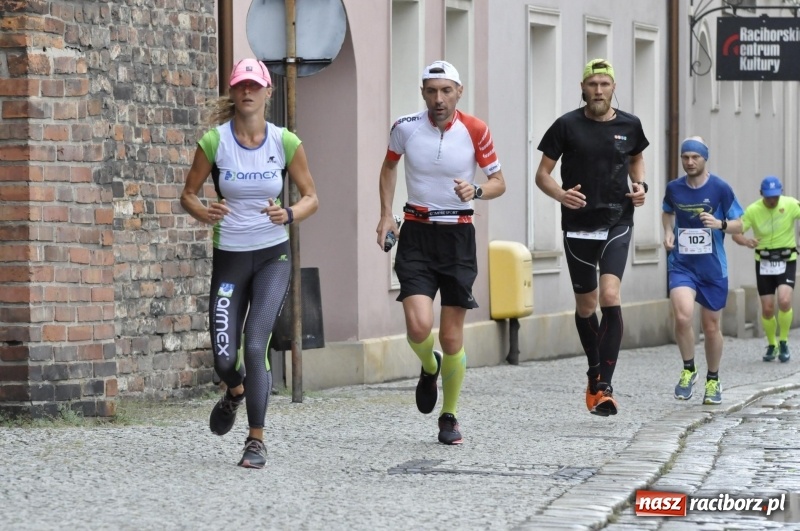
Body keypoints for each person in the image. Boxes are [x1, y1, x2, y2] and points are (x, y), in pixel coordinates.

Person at [180, 58, 319, 468]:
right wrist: (203, 211)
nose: (247, 92)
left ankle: (256, 439)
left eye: (254, 86)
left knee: (255, 345)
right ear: (233, 91)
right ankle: (235, 391)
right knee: (225, 360)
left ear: (267, 92)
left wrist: (289, 213)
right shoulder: (214, 142)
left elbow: (312, 197)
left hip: (273, 256)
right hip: (230, 259)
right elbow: (188, 194)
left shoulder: (285, 142)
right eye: (241, 85)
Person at [376, 60, 506, 445]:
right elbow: (388, 168)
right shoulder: (405, 127)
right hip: (416, 232)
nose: (439, 99)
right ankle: (429, 365)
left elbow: (499, 181)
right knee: (418, 327)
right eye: (432, 91)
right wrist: (385, 215)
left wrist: (476, 190)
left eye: (446, 91)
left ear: (458, 92)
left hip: (457, 236)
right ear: (423, 93)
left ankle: (449, 416)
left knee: (451, 337)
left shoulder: (476, 130)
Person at [535, 58, 649, 416]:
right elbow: (542, 174)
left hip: (617, 220)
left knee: (610, 295)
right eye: (592, 84)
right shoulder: (566, 125)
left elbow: (636, 159)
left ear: (613, 87)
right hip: (579, 224)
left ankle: (604, 388)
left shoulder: (630, 124)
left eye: (604, 84)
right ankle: (594, 370)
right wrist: (561, 195)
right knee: (586, 307)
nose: (598, 90)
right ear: (583, 88)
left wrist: (640, 186)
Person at [662, 137, 743, 405]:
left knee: (710, 326)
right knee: (683, 316)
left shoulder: (720, 188)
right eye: (685, 157)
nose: (689, 162)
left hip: (712, 268)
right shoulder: (674, 188)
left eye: (695, 157)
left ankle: (713, 379)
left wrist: (720, 224)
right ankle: (688, 369)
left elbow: (740, 224)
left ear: (704, 158)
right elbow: (667, 211)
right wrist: (668, 232)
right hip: (682, 264)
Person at [732, 176, 800, 363]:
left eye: (775, 196)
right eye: (769, 197)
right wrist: (746, 241)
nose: (772, 200)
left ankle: (784, 341)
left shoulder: (790, 204)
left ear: (781, 193)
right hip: (764, 262)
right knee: (768, 308)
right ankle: (772, 344)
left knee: (784, 301)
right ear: (761, 194)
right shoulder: (753, 210)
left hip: (786, 259)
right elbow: (736, 233)